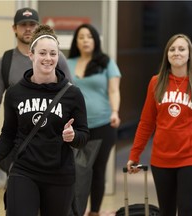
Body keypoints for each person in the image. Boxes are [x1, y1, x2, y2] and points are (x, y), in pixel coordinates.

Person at [0, 24, 89, 216]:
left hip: (59, 175)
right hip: (24, 171)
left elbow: (84, 134)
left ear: (58, 56)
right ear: (31, 55)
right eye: (42, 53)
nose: (48, 58)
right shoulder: (15, 93)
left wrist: (73, 136)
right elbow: (8, 134)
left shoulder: (72, 94)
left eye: (53, 53)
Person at [126, 34, 192, 216]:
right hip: (161, 158)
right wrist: (134, 155)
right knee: (166, 211)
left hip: (191, 157)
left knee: (186, 210)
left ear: (190, 54)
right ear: (167, 54)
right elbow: (146, 123)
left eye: (181, 49)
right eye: (172, 49)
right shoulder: (156, 83)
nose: (177, 53)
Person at [0, 7, 72, 160]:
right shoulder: (4, 62)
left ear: (39, 27)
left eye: (32, 24)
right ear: (14, 29)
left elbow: (71, 96)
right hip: (17, 142)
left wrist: (74, 133)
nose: (28, 28)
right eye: (23, 24)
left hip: (53, 140)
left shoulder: (55, 58)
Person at [67, 23, 121, 216]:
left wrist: (115, 111)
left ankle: (95, 212)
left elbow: (114, 90)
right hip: (75, 127)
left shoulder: (106, 62)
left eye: (89, 36)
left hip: (103, 125)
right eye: (81, 37)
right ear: (77, 41)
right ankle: (76, 210)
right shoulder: (68, 62)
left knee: (97, 170)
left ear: (95, 40)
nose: (85, 40)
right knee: (77, 171)